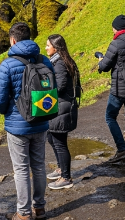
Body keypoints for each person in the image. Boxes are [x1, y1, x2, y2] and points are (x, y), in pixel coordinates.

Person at [0, 22, 52, 220]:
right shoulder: (45, 60)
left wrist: (7, 112)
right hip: (41, 120)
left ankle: (24, 213)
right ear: (30, 36)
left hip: (17, 126)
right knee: (39, 166)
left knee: (21, 169)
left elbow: (0, 99)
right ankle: (40, 208)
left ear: (12, 40)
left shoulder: (8, 64)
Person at [45, 34, 80, 190]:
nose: (46, 48)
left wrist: (43, 87)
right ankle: (61, 169)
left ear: (56, 47)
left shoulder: (59, 63)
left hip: (61, 108)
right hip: (62, 107)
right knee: (51, 138)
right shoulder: (61, 60)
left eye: (48, 45)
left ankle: (66, 178)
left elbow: (59, 87)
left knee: (60, 143)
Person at [97, 14, 125, 164]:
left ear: (115, 28)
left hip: (120, 88)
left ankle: (122, 149)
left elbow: (104, 67)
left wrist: (100, 59)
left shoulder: (116, 43)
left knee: (110, 117)